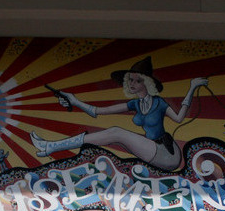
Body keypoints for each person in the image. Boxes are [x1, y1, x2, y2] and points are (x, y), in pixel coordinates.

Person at [30, 56, 208, 171]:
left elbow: (178, 118)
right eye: (130, 79)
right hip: (150, 149)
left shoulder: (159, 102)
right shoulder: (135, 104)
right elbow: (97, 112)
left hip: (166, 154)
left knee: (116, 132)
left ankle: (51, 146)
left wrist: (192, 87)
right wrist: (74, 101)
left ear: (147, 83)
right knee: (113, 135)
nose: (132, 83)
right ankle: (51, 146)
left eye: (137, 80)